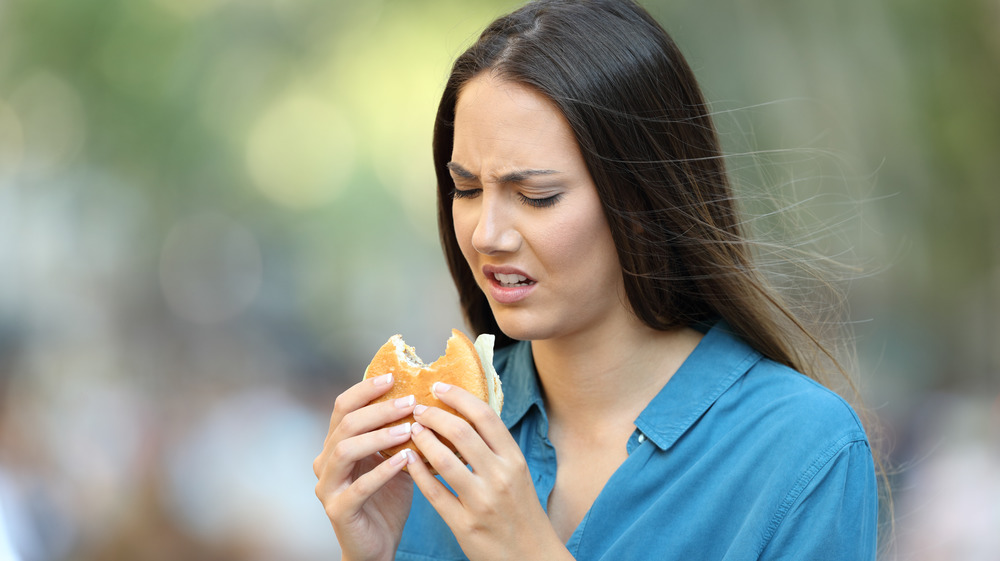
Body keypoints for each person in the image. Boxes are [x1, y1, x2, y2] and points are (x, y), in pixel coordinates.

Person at [313, 1, 880, 559]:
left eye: (536, 196)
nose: (487, 234)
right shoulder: (430, 435)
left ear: (644, 199)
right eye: (466, 189)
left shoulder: (803, 448)